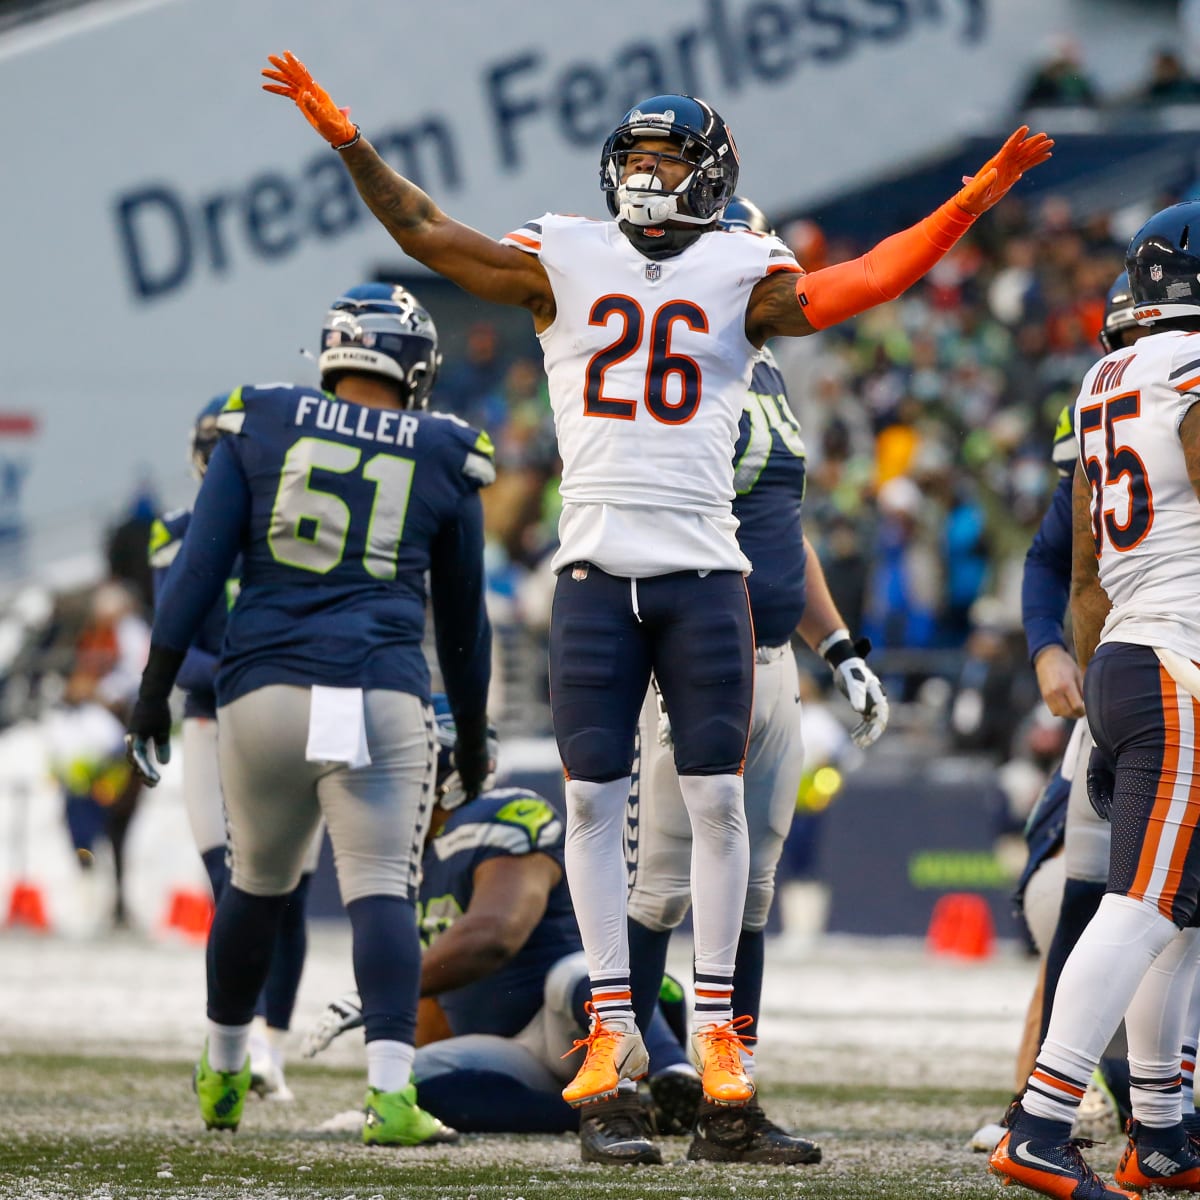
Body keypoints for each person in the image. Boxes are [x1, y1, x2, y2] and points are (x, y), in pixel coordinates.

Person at [262, 48, 1052, 1111]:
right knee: (595, 810)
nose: (645, 171)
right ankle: (610, 1030)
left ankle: (720, 1032)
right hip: (592, 574)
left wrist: (971, 198)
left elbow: (868, 282)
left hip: (703, 575)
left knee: (716, 809)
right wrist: (348, 139)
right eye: (633, 152)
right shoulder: (566, 253)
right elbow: (423, 231)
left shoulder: (740, 268)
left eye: (667, 156)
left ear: (712, 170)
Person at [124, 283, 494, 1147]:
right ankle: (391, 1098)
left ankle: (222, 1068)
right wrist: (471, 741)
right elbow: (466, 623)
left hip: (264, 693)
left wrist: (152, 696)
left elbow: (193, 576)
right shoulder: (443, 448)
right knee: (380, 894)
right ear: (412, 367)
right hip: (378, 692)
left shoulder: (263, 418)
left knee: (255, 885)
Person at [625, 195, 886, 1166]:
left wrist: (840, 645)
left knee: (753, 897)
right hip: (695, 651)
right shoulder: (672, 365)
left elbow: (783, 531)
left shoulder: (763, 366)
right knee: (659, 893)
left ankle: (730, 1107)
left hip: (773, 656)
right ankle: (625, 1086)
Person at [990, 203, 1200, 1198]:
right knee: (1148, 904)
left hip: (1124, 652)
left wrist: (1095, 671)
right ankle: (1040, 1118)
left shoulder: (1105, 377)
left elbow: (1080, 570)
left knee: (1181, 914)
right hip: (1180, 661)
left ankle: (1163, 1127)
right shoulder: (1192, 372)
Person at [302, 696, 698, 1164]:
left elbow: (495, 935)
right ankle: (628, 1113)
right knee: (412, 1082)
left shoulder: (501, 813)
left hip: (580, 1023)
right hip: (516, 1052)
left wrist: (381, 991)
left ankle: (677, 1077)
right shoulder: (415, 860)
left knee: (574, 975)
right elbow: (433, 1014)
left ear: (443, 767)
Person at [147, 398, 319, 1101]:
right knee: (232, 888)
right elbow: (174, 641)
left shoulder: (294, 534)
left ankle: (270, 1049)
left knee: (293, 898)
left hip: (283, 722)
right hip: (214, 721)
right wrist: (249, 677)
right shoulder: (178, 533)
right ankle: (232, 1037)